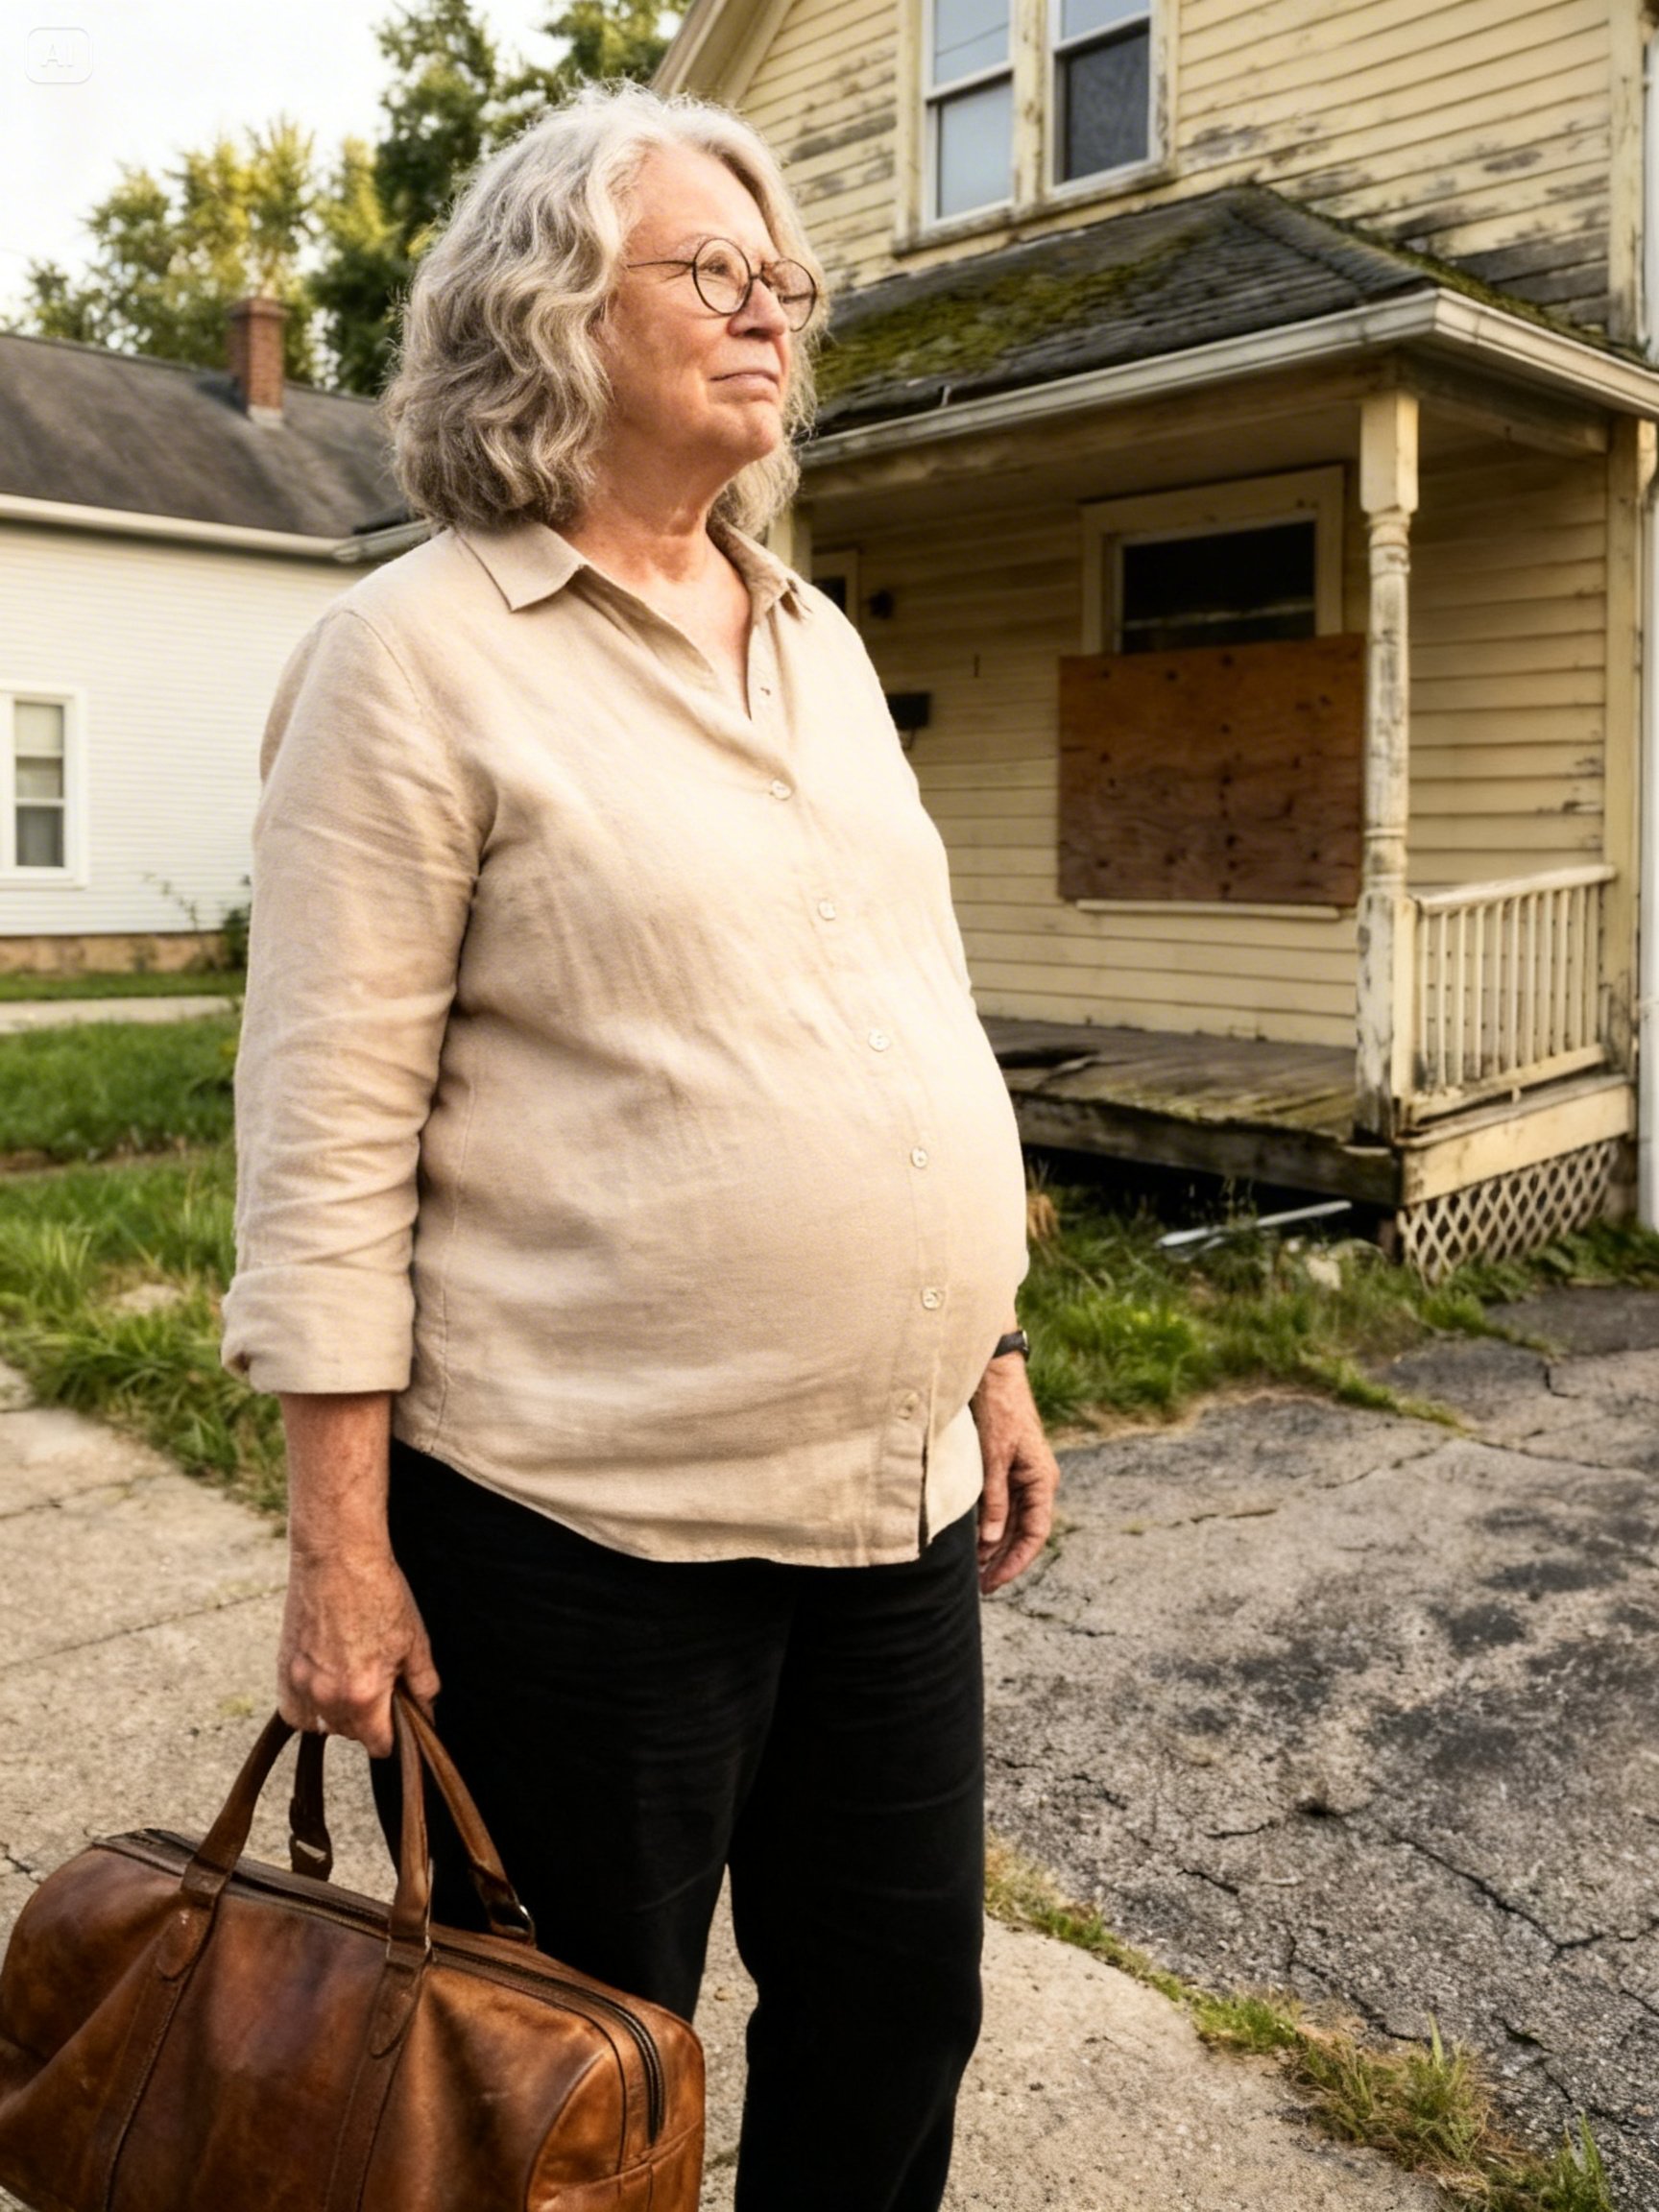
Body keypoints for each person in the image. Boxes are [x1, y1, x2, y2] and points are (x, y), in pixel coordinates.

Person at [222, 80, 1059, 2212]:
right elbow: (325, 1136)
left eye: (789, 278)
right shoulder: (407, 660)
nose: (775, 309)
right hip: (579, 1538)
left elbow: (903, 1010)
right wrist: (340, 1551)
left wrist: (989, 1353)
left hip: (890, 1517)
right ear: (553, 314)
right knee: (563, 2084)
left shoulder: (823, 642)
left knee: (897, 2012)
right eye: (717, 269)